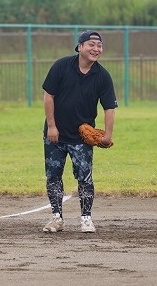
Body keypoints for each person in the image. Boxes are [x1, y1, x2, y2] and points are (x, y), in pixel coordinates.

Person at [41, 30, 117, 233]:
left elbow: (109, 108)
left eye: (99, 45)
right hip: (55, 135)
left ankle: (86, 219)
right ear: (80, 47)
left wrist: (108, 136)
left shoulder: (102, 76)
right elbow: (48, 96)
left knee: (85, 178)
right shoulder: (61, 66)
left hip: (82, 138)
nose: (96, 49)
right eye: (91, 45)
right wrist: (52, 126)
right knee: (53, 176)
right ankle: (56, 218)